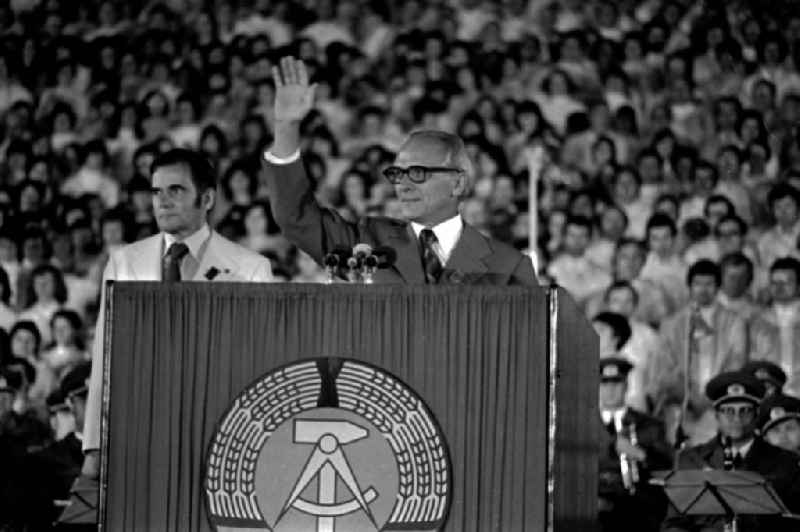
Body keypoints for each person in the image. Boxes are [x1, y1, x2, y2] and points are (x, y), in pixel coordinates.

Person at [82, 148, 274, 478]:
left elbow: (259, 362)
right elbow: (104, 355)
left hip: (218, 432)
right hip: (139, 429)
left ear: (208, 198)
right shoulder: (124, 262)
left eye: (176, 190)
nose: (162, 201)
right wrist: (94, 443)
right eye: (156, 191)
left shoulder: (250, 268)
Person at [262, 57, 537, 286]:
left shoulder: (507, 267)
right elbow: (295, 218)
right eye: (397, 174)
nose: (403, 185)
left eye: (417, 173)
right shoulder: (366, 242)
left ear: (456, 183)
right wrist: (286, 127)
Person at [661, 371, 800, 531]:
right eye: (728, 411)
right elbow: (674, 524)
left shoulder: (784, 461)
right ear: (717, 416)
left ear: (756, 414)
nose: (736, 418)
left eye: (745, 411)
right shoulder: (692, 460)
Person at [655, 260, 748, 446]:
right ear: (689, 287)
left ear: (718, 287)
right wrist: (689, 397)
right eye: (697, 284)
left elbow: (736, 364)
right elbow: (664, 366)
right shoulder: (672, 323)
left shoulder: (734, 322)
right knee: (680, 451)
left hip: (719, 401)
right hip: (681, 403)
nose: (703, 290)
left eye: (709, 284)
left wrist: (709, 398)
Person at [597, 357, 671, 532]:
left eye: (616, 382)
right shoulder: (583, 426)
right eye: (604, 383)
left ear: (626, 385)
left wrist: (641, 454)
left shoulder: (650, 425)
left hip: (635, 513)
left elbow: (667, 466)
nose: (611, 389)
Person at [749, 257, 800, 395]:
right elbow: (754, 363)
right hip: (770, 396)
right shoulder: (758, 322)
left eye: (786, 282)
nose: (779, 287)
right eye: (774, 282)